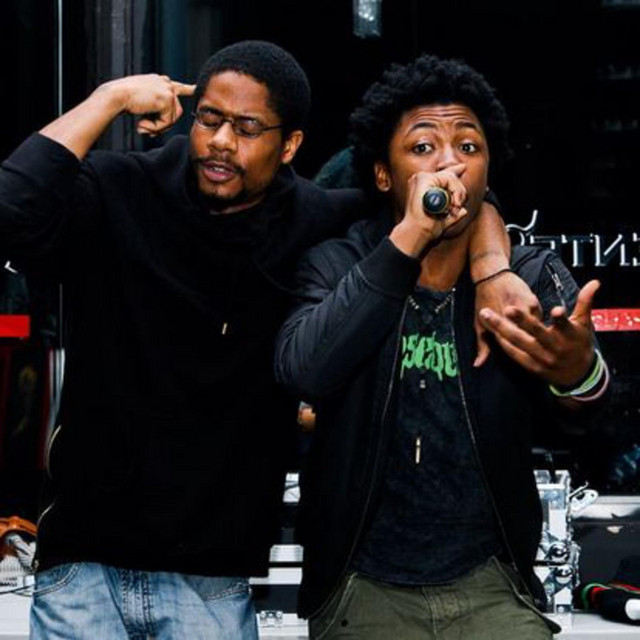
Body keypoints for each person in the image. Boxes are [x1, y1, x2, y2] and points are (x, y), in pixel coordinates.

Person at [0, 40, 533, 639]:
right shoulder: (119, 188)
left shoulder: (312, 220)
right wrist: (109, 98)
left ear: (290, 146)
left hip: (212, 581)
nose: (222, 142)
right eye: (210, 119)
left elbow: (448, 196)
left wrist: (491, 266)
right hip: (82, 568)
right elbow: (12, 206)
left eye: (248, 128)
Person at [275, 54, 609, 639]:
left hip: (490, 585)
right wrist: (411, 237)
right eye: (423, 147)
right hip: (362, 587)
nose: (449, 163)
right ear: (385, 175)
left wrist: (576, 372)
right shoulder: (338, 264)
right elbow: (304, 369)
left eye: (468, 147)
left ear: (487, 173)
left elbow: (594, 410)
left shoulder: (526, 275)